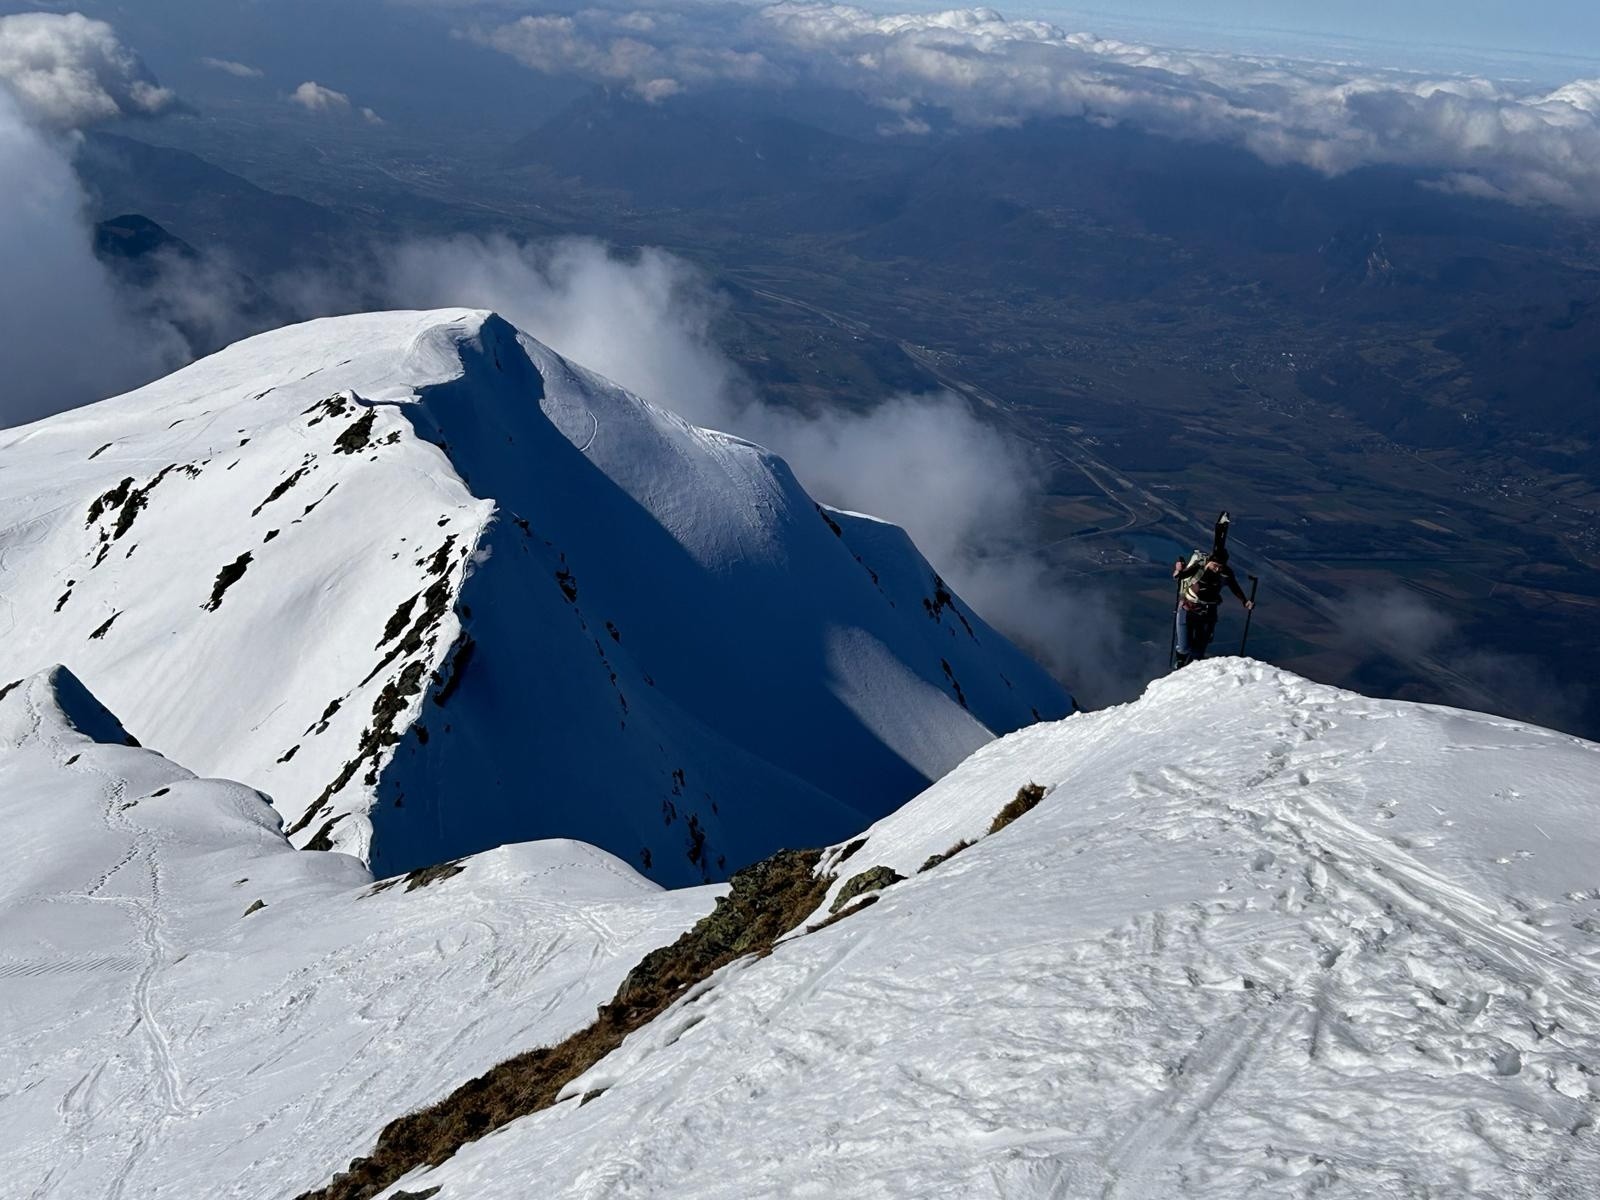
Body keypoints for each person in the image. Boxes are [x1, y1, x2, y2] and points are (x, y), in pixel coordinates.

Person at [1171, 546, 1253, 667]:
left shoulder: (1226, 573)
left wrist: (1245, 601)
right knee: (1184, 647)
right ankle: (1181, 661)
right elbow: (1181, 576)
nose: (1217, 569)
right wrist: (1178, 570)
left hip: (1207, 613)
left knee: (1198, 650)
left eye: (1220, 567)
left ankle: (1188, 669)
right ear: (1209, 561)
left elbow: (1234, 587)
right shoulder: (1199, 568)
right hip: (1188, 609)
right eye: (1215, 565)